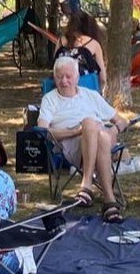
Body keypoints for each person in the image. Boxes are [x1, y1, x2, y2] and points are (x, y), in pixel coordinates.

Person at [38, 56, 128, 222]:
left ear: (77, 77)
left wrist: (112, 131)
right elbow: (43, 131)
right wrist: (75, 131)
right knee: (89, 123)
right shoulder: (50, 99)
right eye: (59, 77)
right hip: (71, 146)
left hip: (102, 140)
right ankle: (109, 201)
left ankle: (87, 187)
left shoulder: (91, 95)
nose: (64, 81)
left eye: (68, 76)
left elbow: (122, 121)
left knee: (98, 133)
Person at [54, 8, 107, 90]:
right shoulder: (93, 43)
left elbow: (55, 66)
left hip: (62, 90)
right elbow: (102, 78)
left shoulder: (60, 41)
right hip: (86, 91)